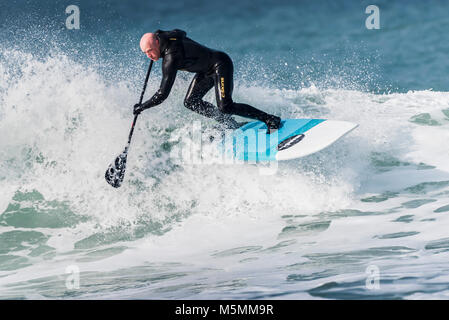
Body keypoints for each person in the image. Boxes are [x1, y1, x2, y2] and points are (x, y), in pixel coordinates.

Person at [134, 29, 282, 133]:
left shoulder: (171, 58)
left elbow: (162, 94)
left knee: (226, 106)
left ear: (157, 43)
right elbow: (181, 32)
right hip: (205, 71)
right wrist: (159, 36)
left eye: (150, 51)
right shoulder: (164, 35)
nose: (149, 56)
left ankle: (270, 119)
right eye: (145, 53)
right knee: (191, 102)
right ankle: (230, 123)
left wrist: (142, 107)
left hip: (220, 64)